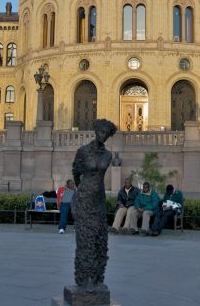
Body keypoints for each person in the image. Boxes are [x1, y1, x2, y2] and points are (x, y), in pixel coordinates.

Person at [71, 119, 120, 290]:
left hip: (99, 200)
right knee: (85, 240)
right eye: (101, 132)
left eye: (106, 134)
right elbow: (76, 174)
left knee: (100, 240)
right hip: (84, 199)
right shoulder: (83, 151)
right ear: (96, 131)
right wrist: (82, 192)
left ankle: (98, 277)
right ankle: (84, 278)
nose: (103, 136)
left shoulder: (108, 155)